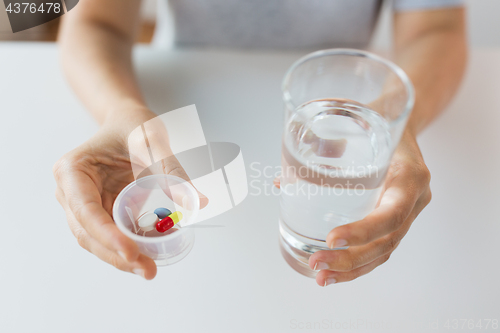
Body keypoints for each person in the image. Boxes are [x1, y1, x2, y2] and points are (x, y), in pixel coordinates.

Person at [53, 0, 467, 285]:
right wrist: (118, 110)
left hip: (344, 96)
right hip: (185, 104)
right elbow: (94, 20)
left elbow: (438, 27)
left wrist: (389, 125)